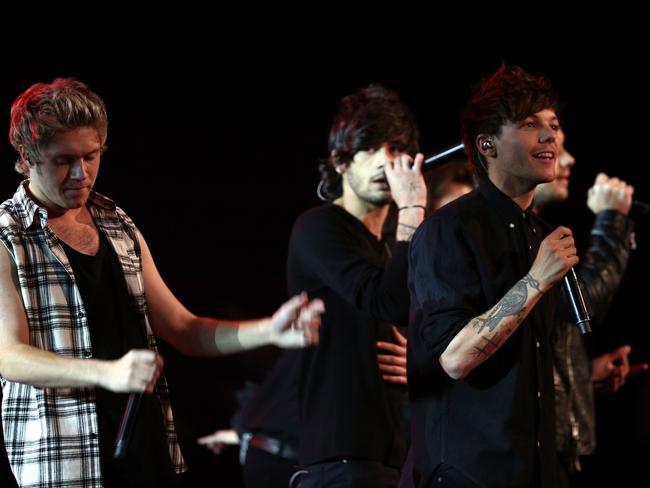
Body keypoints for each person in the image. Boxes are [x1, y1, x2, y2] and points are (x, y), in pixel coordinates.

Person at [0, 78, 324, 488]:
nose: (81, 174)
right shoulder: (7, 235)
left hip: (146, 451)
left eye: (92, 156)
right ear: (27, 158)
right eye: (64, 160)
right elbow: (9, 356)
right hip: (66, 463)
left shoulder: (117, 223)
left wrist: (269, 330)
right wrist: (109, 373)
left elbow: (185, 330)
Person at [408, 65, 577, 487]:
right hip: (469, 473)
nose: (549, 136)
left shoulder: (540, 233)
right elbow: (455, 356)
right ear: (486, 144)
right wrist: (536, 279)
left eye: (553, 125)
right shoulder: (448, 229)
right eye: (529, 124)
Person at [286, 83, 426, 487]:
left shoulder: (390, 249)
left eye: (398, 149)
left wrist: (419, 358)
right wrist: (413, 209)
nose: (388, 160)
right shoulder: (319, 226)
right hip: (341, 458)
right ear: (341, 160)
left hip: (393, 458)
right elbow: (386, 300)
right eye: (372, 147)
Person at [533, 130, 644, 486]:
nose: (568, 160)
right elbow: (583, 303)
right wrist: (612, 220)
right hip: (524, 454)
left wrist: (580, 374)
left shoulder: (539, 231)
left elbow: (548, 332)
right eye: (554, 150)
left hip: (556, 452)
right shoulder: (506, 234)